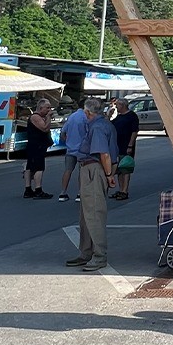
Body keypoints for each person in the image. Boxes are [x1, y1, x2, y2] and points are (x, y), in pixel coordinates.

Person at [65, 99, 118, 271]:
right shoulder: (102, 124)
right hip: (92, 168)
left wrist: (109, 175)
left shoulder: (97, 127)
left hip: (94, 169)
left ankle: (98, 255)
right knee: (87, 214)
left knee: (94, 213)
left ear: (88, 113)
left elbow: (104, 154)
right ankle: (87, 252)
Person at [22, 97, 54, 199]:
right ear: (40, 108)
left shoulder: (38, 117)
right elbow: (45, 128)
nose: (49, 110)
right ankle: (38, 189)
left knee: (30, 167)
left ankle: (28, 190)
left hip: (36, 145)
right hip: (37, 146)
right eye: (47, 108)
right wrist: (48, 117)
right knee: (38, 168)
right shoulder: (36, 117)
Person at [58, 102, 88, 202]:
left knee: (68, 170)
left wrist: (67, 141)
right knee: (82, 171)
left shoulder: (71, 117)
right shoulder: (86, 117)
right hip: (82, 149)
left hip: (70, 148)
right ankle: (80, 193)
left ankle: (63, 192)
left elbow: (63, 132)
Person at [110, 98, 139, 200]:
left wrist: (130, 145)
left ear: (123, 105)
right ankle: (120, 189)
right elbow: (109, 124)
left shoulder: (132, 116)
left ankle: (124, 191)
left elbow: (134, 131)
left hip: (126, 146)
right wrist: (109, 115)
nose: (116, 107)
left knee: (125, 168)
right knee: (119, 169)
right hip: (117, 146)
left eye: (117, 105)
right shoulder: (118, 116)